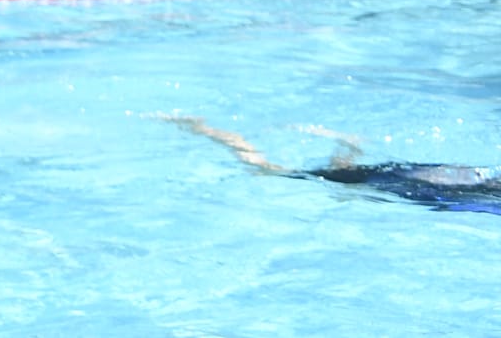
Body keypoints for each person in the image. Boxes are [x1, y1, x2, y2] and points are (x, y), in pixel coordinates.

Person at [164, 117, 501, 214]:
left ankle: (347, 146)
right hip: (419, 184)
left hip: (423, 176)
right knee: (267, 169)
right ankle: (205, 129)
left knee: (349, 180)